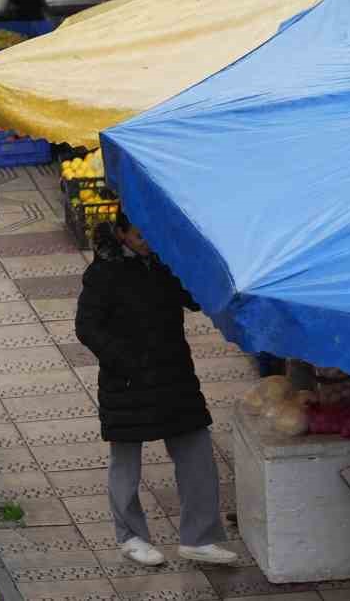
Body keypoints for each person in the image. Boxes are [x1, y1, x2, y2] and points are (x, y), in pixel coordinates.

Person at [75, 211, 237, 569]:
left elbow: (193, 297)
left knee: (196, 452)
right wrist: (126, 362)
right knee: (127, 461)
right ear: (121, 234)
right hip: (128, 382)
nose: (146, 241)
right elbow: (86, 326)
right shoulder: (104, 273)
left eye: (151, 234)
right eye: (138, 235)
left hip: (174, 374)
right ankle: (131, 536)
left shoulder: (164, 263)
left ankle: (200, 537)